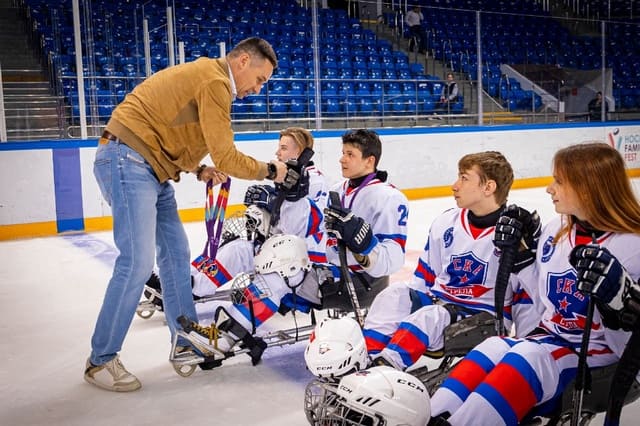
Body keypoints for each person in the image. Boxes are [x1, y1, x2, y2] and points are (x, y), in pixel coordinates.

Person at [84, 37, 291, 392]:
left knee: (177, 256)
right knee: (136, 262)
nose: (257, 89)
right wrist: (272, 170)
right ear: (242, 61)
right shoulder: (217, 82)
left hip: (152, 167)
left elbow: (173, 125)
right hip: (129, 160)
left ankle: (185, 341)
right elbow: (227, 156)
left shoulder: (208, 77)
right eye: (259, 79)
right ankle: (100, 360)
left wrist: (198, 170)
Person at [429, 142, 640, 425]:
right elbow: (546, 308)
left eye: (559, 181)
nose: (549, 188)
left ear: (589, 187)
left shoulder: (634, 246)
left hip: (596, 360)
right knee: (493, 347)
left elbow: (629, 349)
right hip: (548, 342)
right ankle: (432, 417)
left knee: (528, 356)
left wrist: (620, 307)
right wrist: (522, 260)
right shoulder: (556, 232)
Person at [177, 129, 410, 365]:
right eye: (342, 153)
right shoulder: (338, 189)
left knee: (283, 271)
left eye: (350, 154)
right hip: (324, 269)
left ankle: (224, 338)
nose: (342, 159)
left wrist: (365, 244)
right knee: (256, 253)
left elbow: (392, 260)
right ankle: (198, 293)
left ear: (370, 160)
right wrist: (287, 200)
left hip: (358, 281)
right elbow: (306, 229)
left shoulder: (389, 198)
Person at [363, 151, 541, 371]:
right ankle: (368, 358)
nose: (454, 186)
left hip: (483, 320)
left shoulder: (514, 236)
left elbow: (525, 295)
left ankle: (385, 368)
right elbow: (426, 275)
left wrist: (524, 345)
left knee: (431, 317)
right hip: (440, 304)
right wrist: (410, 303)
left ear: (489, 188)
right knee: (394, 294)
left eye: (464, 178)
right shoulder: (446, 222)